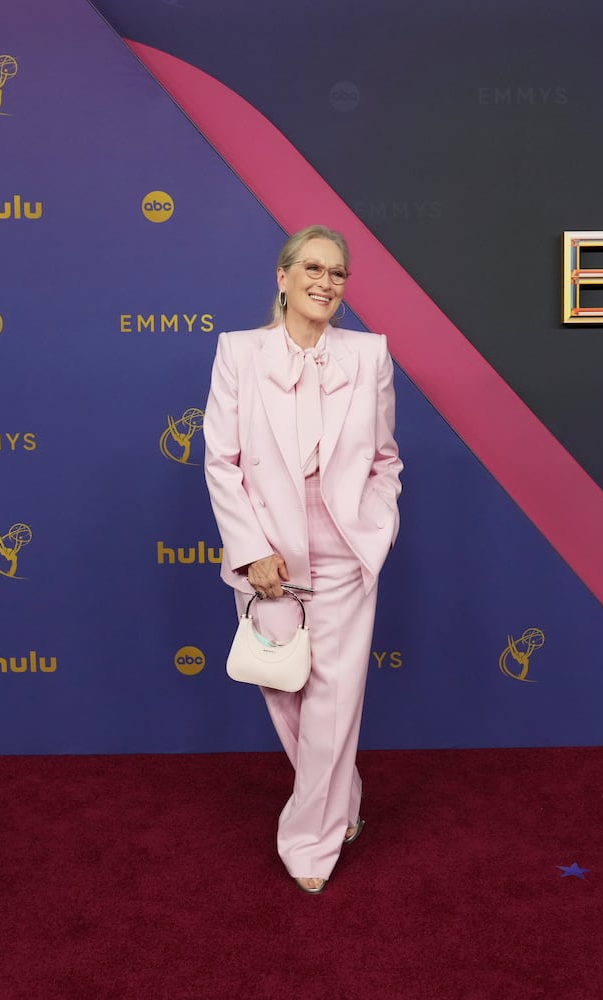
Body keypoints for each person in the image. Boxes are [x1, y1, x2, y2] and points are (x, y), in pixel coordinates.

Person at [203, 225, 402, 895]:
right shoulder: (238, 352)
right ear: (283, 278)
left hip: (345, 550)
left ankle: (309, 844)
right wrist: (251, 549)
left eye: (338, 273)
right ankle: (340, 798)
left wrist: (379, 524)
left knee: (334, 700)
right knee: (285, 689)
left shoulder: (370, 355)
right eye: (312, 268)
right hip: (270, 556)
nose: (325, 281)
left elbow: (384, 458)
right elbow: (221, 460)